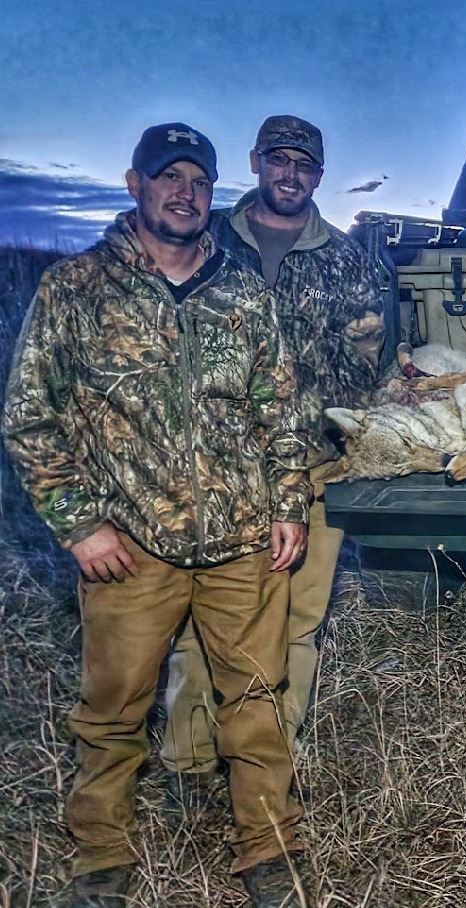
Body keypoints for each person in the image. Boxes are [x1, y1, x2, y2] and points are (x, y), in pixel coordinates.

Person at [3, 123, 313, 906]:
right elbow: (30, 418)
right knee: (112, 714)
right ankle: (101, 861)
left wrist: (288, 503)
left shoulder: (243, 293)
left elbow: (279, 409)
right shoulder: (77, 289)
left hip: (243, 543)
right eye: (169, 177)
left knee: (257, 704)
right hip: (131, 548)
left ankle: (269, 853)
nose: (186, 193)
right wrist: (79, 522)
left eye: (199, 181)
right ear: (135, 185)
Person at [161, 115, 384, 789]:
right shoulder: (203, 238)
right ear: (257, 161)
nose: (291, 174)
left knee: (299, 618)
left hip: (313, 466)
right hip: (214, 464)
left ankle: (268, 763)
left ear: (319, 176)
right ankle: (191, 762)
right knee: (200, 620)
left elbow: (366, 363)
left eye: (304, 165)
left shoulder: (346, 258)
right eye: (280, 160)